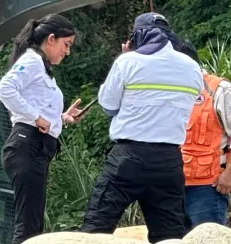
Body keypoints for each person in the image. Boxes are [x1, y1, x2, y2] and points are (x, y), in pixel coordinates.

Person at [80, 13, 204, 243]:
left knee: (97, 226)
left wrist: (128, 57)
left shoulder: (128, 62)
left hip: (128, 158)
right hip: (169, 161)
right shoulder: (192, 67)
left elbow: (108, 105)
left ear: (137, 36)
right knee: (170, 234)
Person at [0, 15, 85, 244]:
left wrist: (63, 118)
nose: (67, 52)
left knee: (32, 223)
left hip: (34, 147)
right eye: (67, 45)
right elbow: (4, 89)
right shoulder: (33, 60)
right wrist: (37, 118)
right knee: (29, 225)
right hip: (28, 145)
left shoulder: (41, 67)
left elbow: (39, 109)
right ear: (51, 39)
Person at [176, 40, 231, 229]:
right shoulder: (171, 92)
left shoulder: (219, 89)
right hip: (171, 186)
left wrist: (230, 173)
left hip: (207, 188)